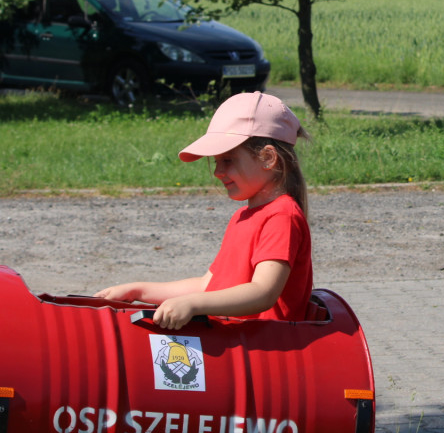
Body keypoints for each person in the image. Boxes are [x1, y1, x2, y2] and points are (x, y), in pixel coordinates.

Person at [95, 92, 313, 329]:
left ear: (268, 158)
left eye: (228, 160)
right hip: (237, 344)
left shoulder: (282, 216)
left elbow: (263, 292)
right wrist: (138, 290)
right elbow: (207, 285)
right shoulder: (242, 217)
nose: (217, 172)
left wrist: (193, 304)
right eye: (217, 161)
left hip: (267, 352)